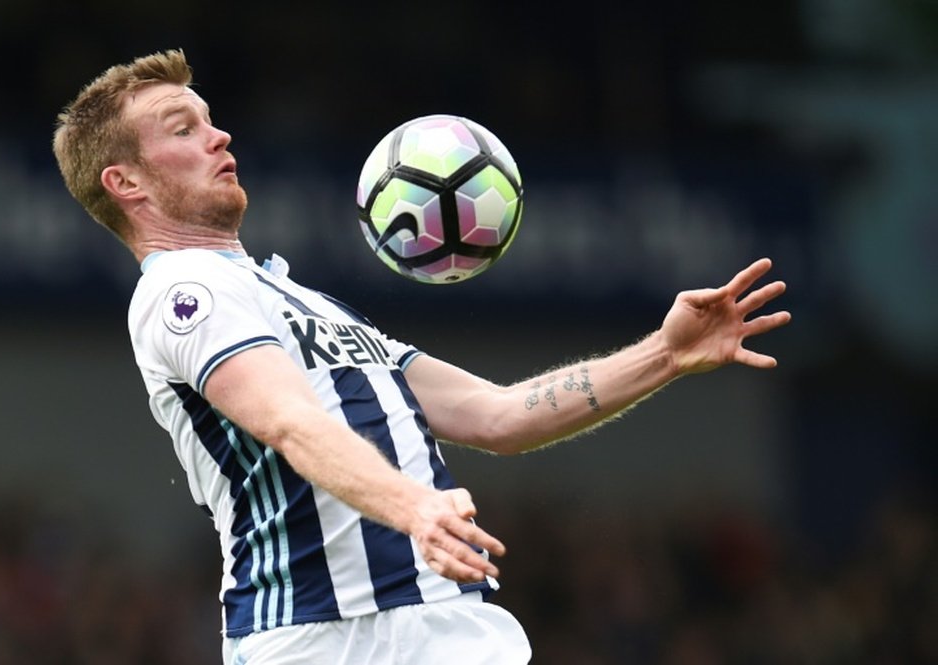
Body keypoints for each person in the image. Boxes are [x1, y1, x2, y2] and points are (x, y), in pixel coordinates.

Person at [52, 49, 791, 665]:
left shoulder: (307, 304)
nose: (221, 138)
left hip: (445, 623)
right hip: (322, 638)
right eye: (186, 128)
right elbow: (286, 420)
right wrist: (417, 509)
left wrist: (664, 353)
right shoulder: (182, 289)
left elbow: (495, 414)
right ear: (127, 182)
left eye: (214, 121)